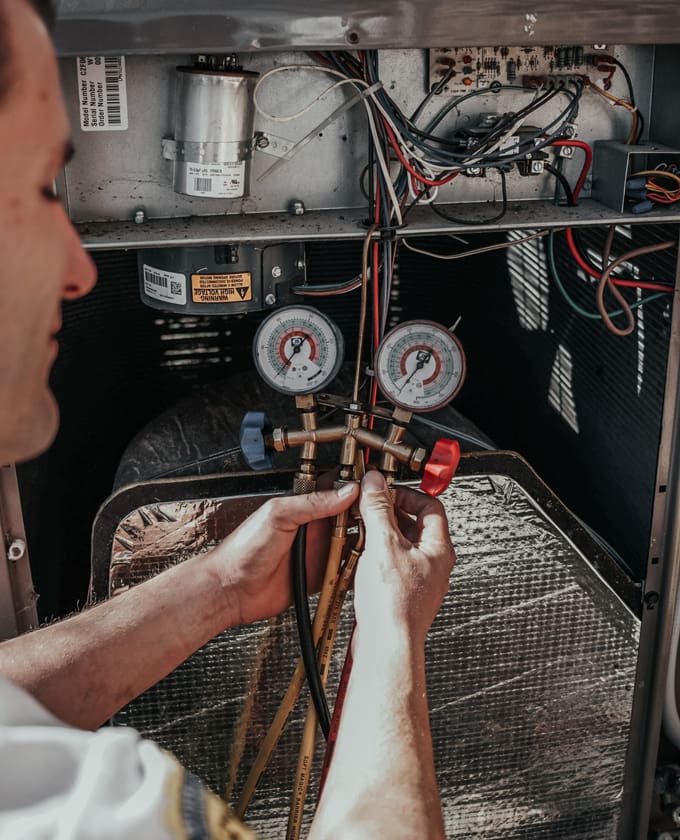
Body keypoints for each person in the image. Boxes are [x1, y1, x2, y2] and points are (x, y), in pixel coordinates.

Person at [0, 1, 456, 838]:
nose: (79, 267)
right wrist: (394, 627)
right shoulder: (86, 811)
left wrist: (219, 585)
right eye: (36, 190)